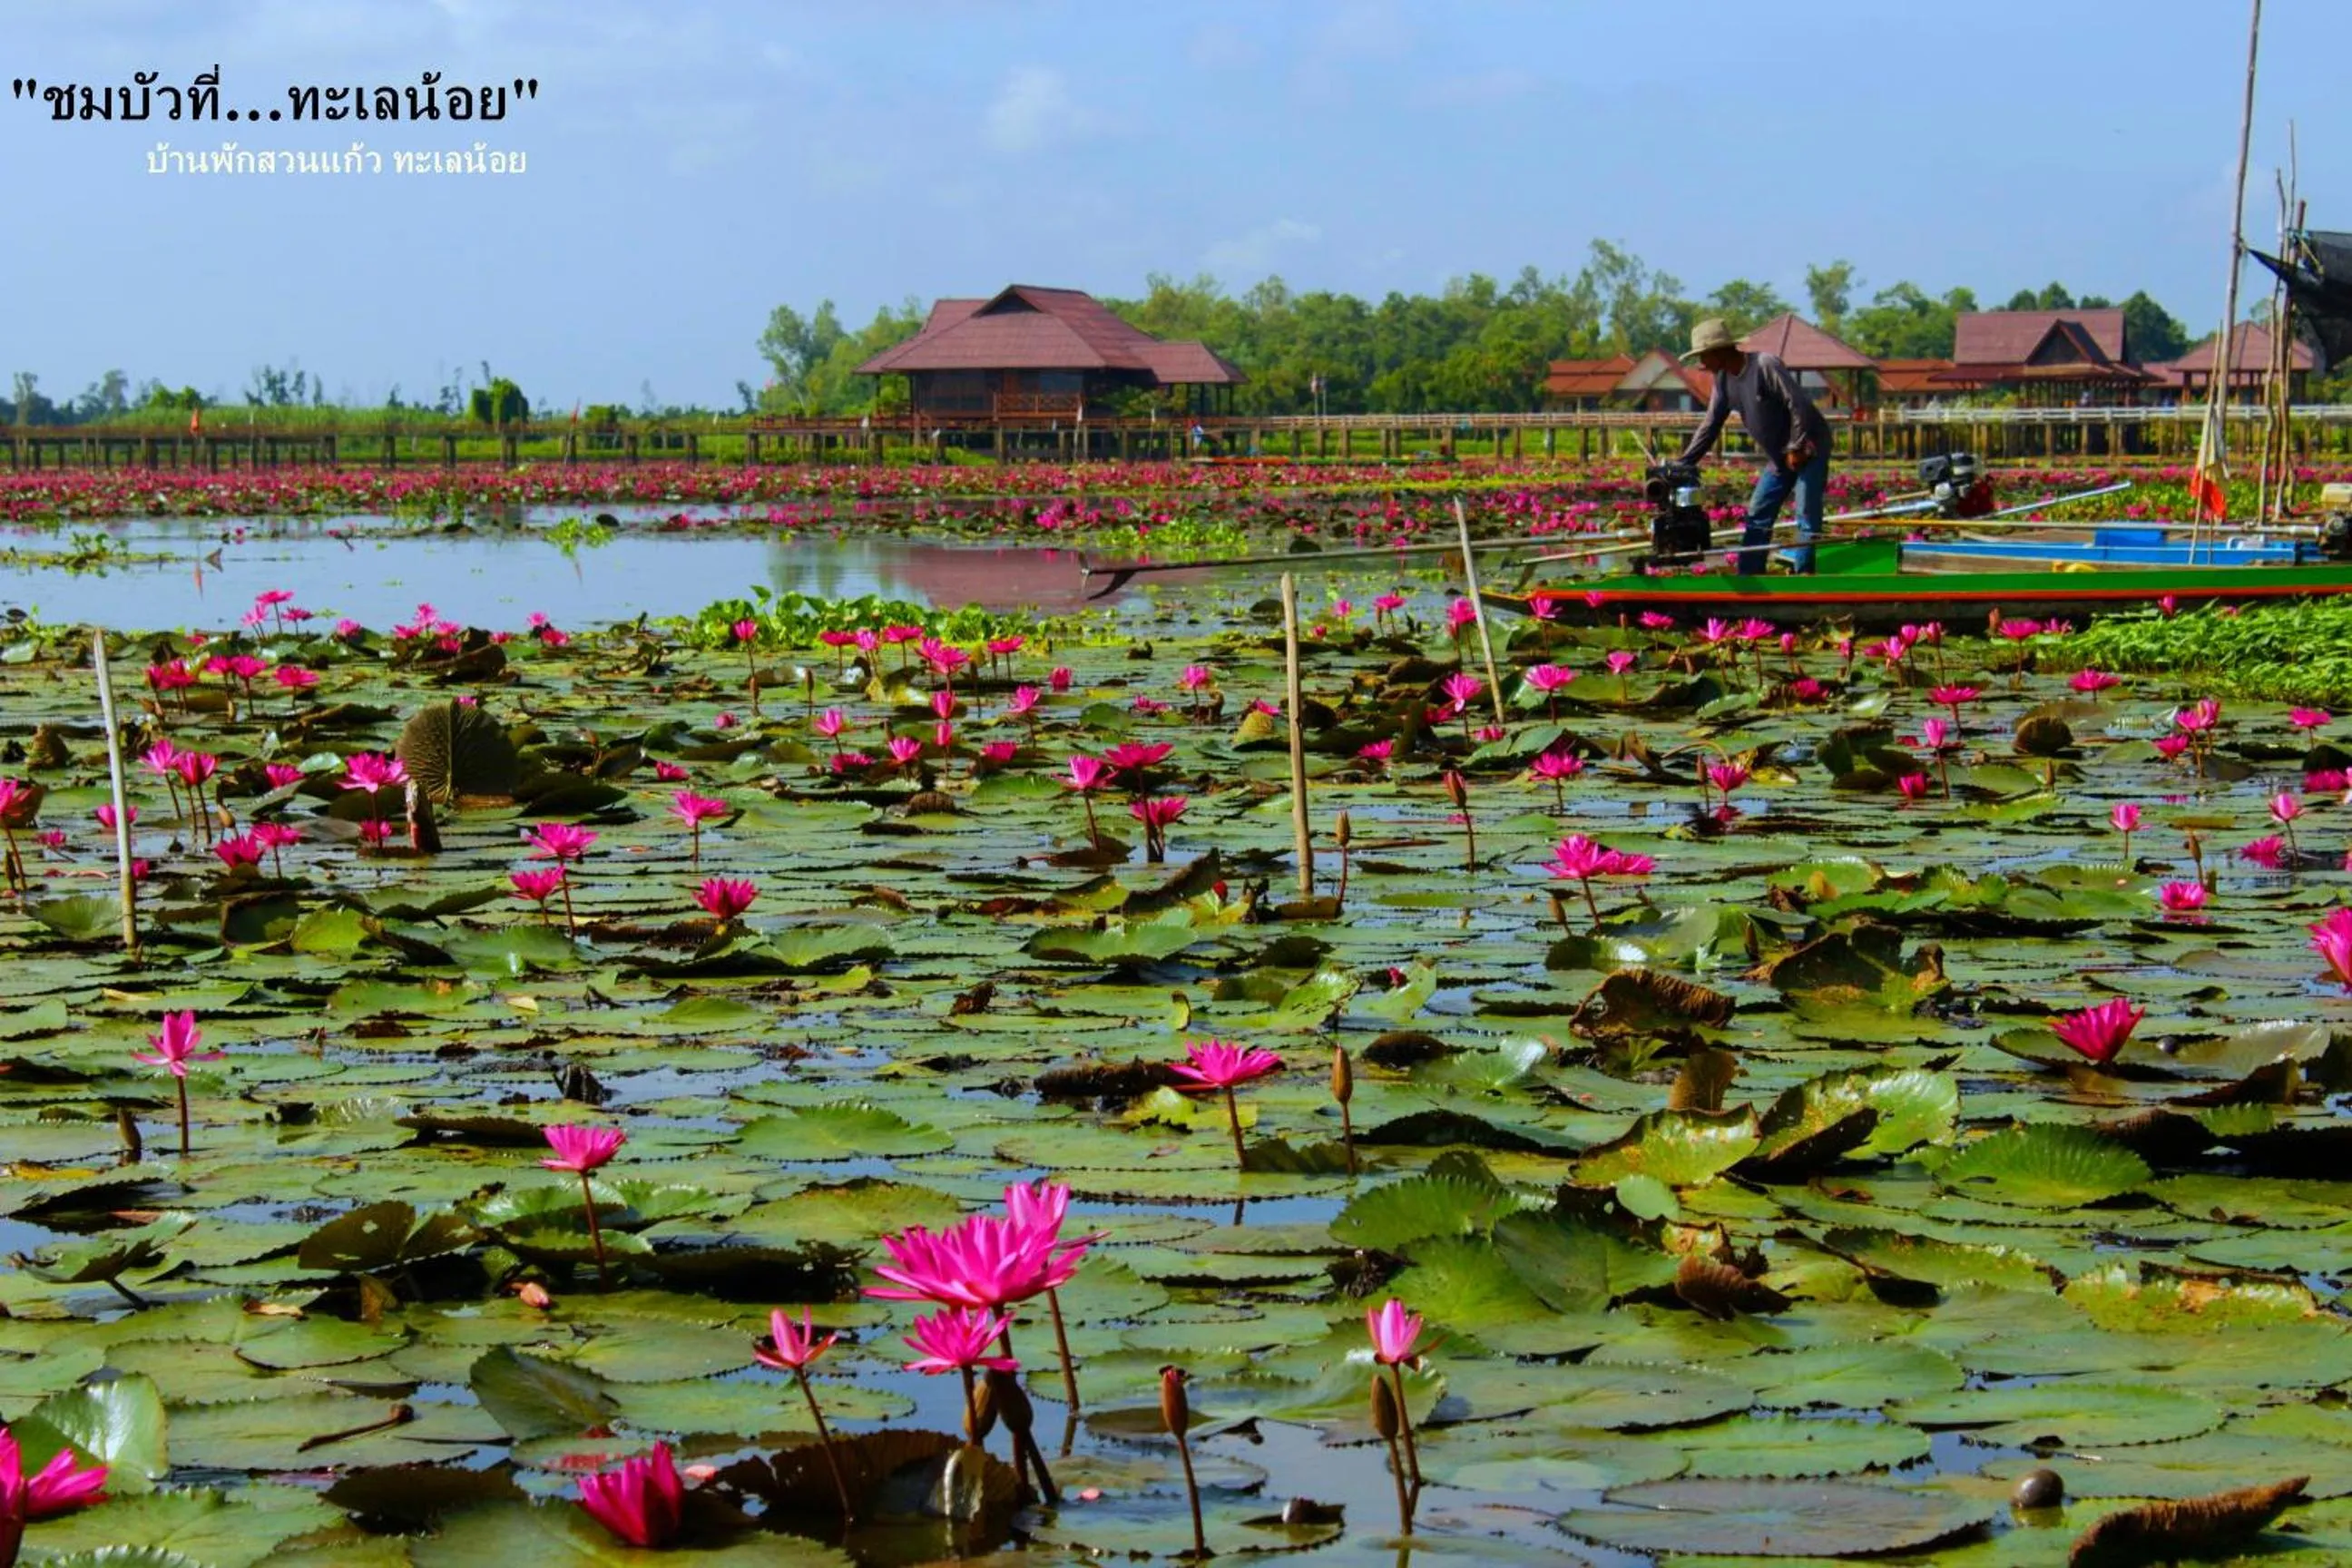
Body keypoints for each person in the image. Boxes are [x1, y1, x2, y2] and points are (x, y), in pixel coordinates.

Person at [1676, 318, 1833, 574]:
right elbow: (1710, 425)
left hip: (1809, 446)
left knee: (1806, 512)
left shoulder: (1764, 365)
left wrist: (1796, 445)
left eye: (1704, 356)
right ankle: (1749, 575)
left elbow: (1799, 405)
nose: (1702, 363)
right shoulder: (1724, 381)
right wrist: (1684, 464)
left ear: (1720, 351)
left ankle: (1805, 574)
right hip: (1779, 456)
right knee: (1758, 513)